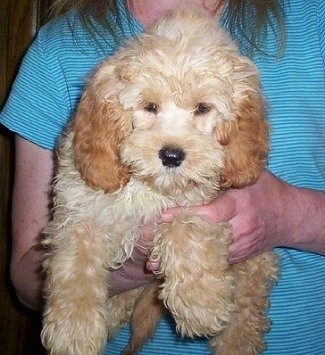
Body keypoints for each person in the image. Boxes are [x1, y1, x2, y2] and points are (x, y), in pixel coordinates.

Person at [1, 0, 324, 353]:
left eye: (202, 109)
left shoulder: (315, 16)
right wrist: (135, 262)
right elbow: (25, 280)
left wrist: (289, 216)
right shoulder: (56, 50)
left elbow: (237, 171)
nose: (172, 146)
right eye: (149, 108)